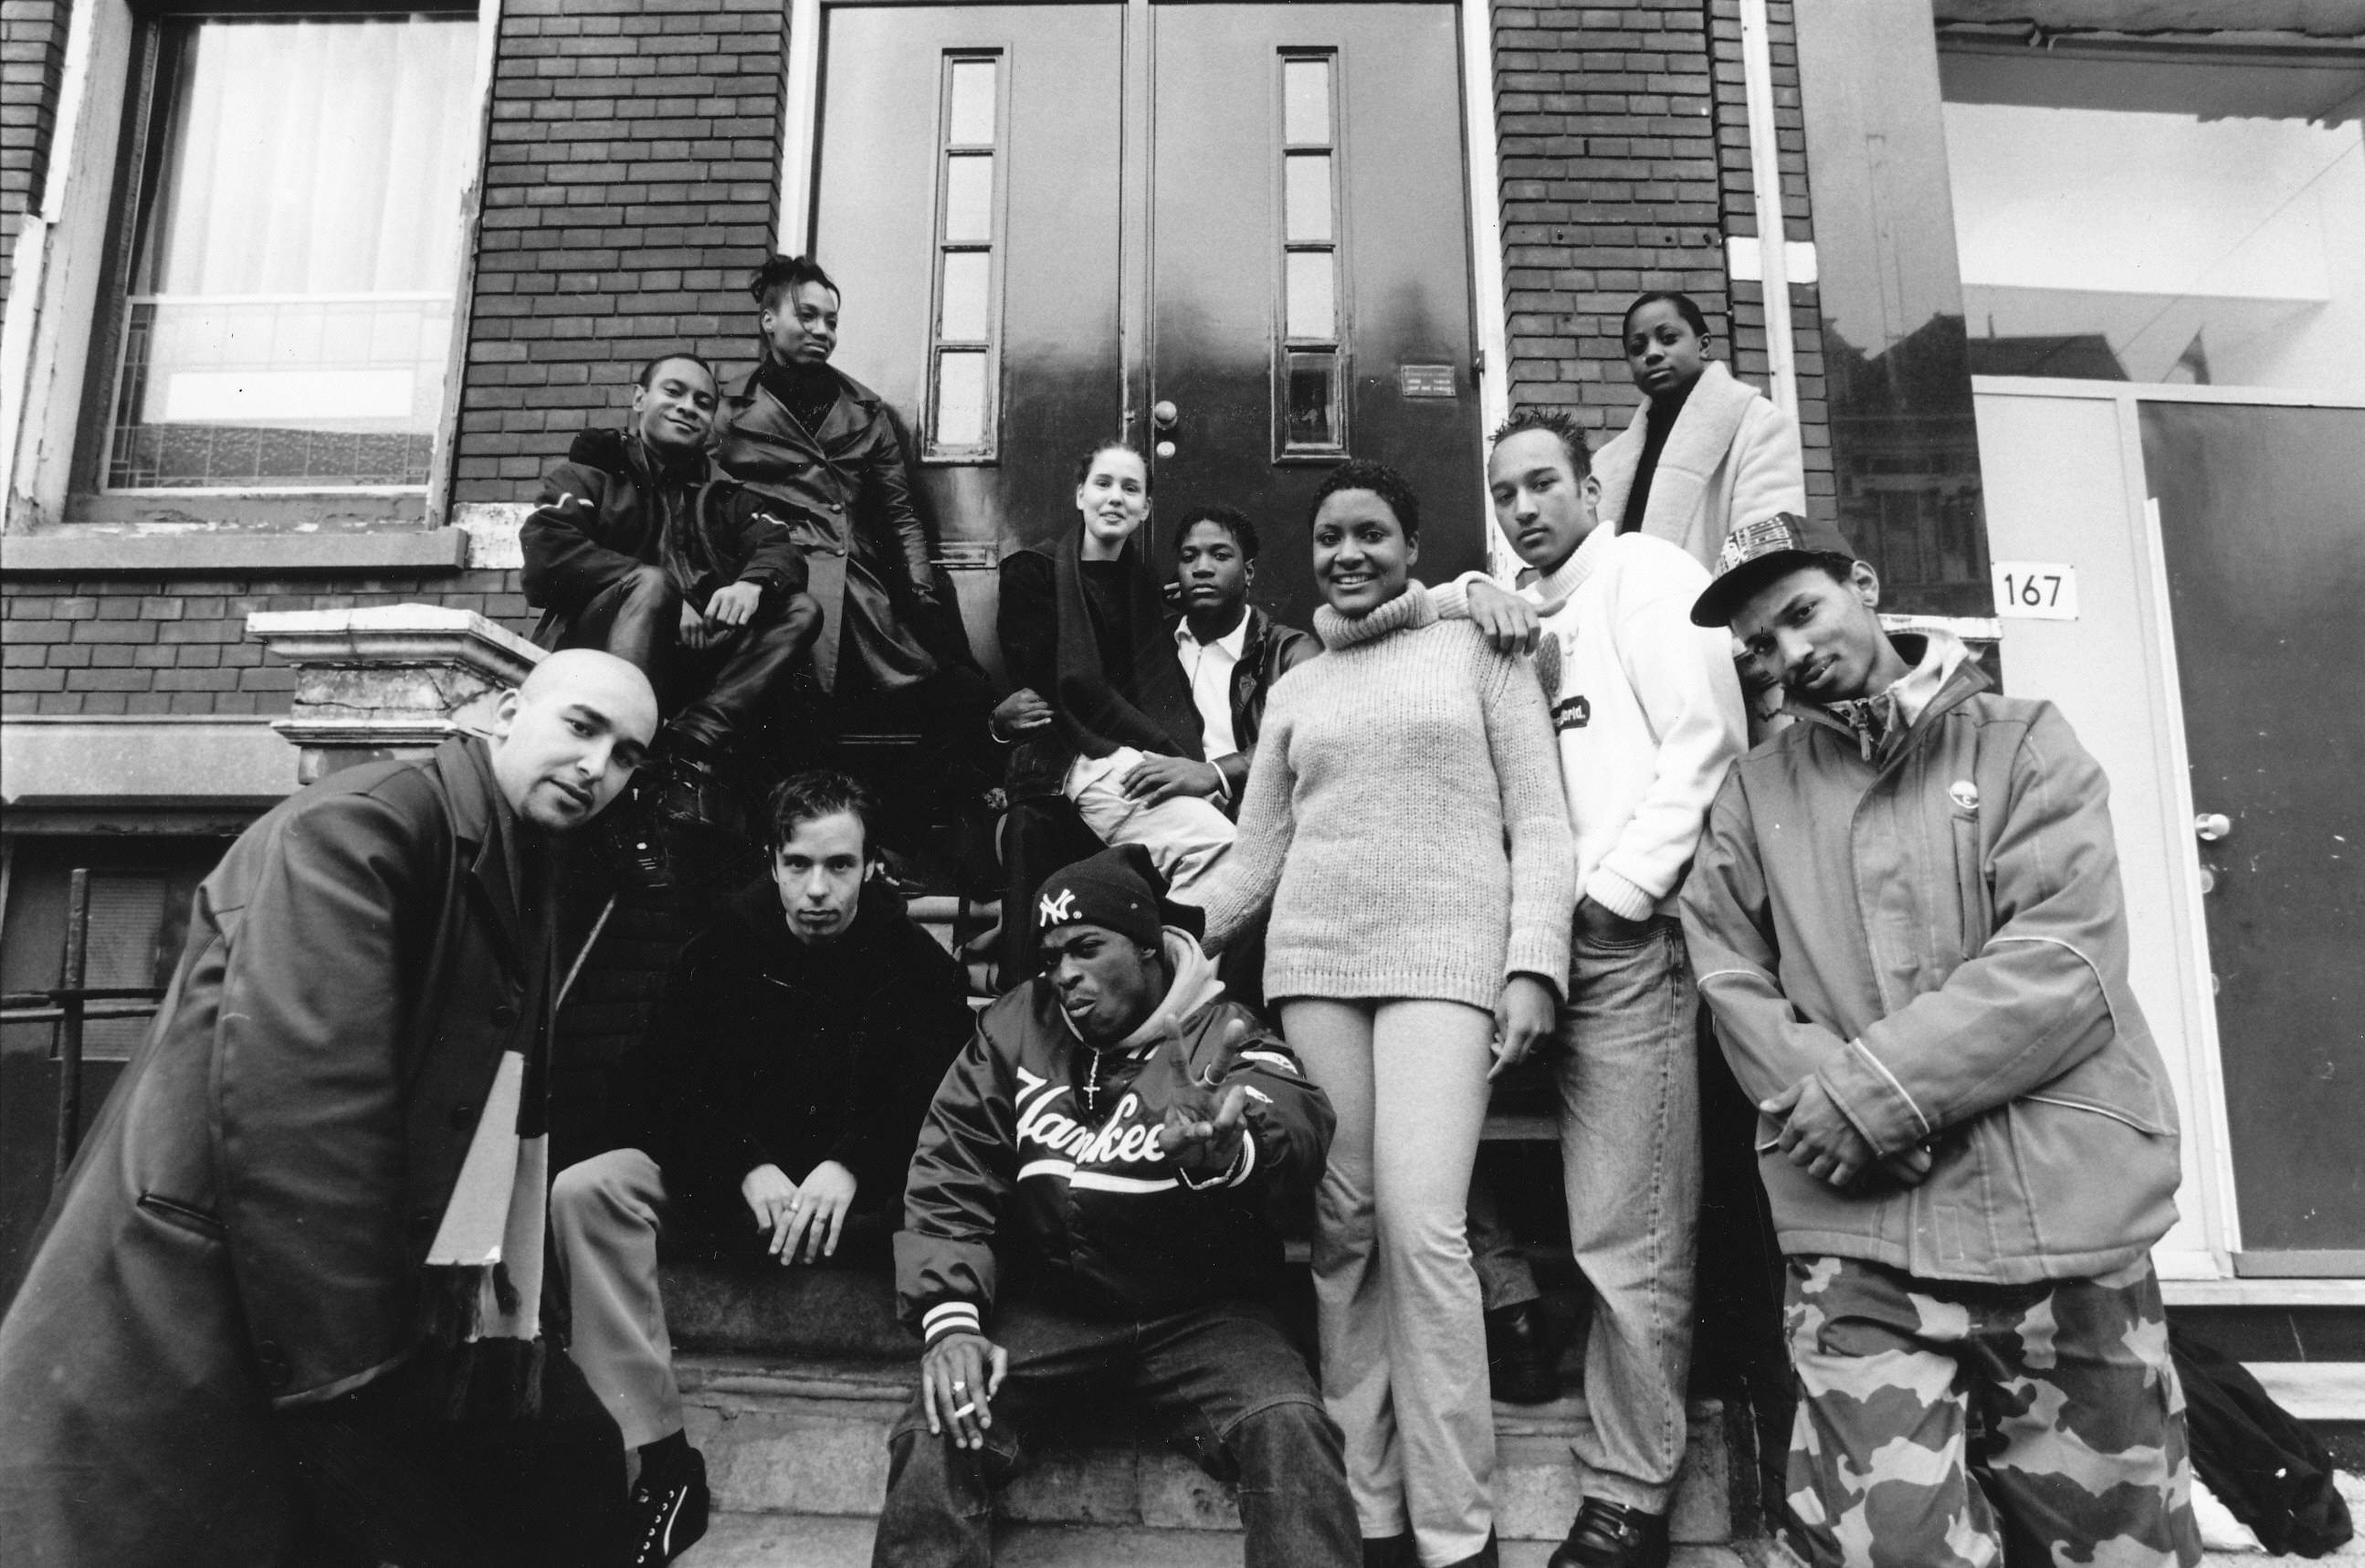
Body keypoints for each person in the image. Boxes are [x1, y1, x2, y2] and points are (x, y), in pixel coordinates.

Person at [0, 650, 661, 1568]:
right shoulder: (365, 827)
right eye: (581, 727)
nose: (597, 767)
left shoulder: (522, 861)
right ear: (508, 713)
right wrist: (366, 1384)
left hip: (316, 1327)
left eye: (626, 755)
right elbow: (304, 1118)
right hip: (202, 1315)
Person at [1679, 512, 2200, 1568]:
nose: (1788, 652)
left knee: (2113, 1545)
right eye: (1760, 645)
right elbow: (1727, 971)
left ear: (1863, 583)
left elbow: (2064, 955)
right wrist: (1828, 1106)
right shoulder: (1755, 792)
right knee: (1885, 1547)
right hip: (1861, 1234)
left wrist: (1873, 1096)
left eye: (1802, 613)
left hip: (2062, 1215)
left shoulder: (2023, 740)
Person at [1199, 459, 1579, 1568]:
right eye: (1329, 538)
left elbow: (1540, 822)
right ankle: (1369, 1517)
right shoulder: (1297, 688)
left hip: (1444, 964)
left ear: (1412, 547)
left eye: (1370, 533)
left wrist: (1533, 964)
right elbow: (1255, 860)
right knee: (1344, 1231)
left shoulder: (1480, 646)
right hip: (1317, 967)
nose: (1348, 554)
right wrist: (1162, 935)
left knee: (1422, 1228)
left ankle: (1457, 1531)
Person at [1436, 409, 1748, 1568]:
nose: (1523, 507)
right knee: (1417, 1148)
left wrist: (1619, 892)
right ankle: (1509, 1308)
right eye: (1504, 492)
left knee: (1628, 1222)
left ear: (1589, 489)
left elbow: (1707, 744)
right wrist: (1468, 589)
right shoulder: (1506, 606)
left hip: (1619, 940)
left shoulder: (1645, 576)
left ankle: (1627, 1493)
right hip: (1517, 940)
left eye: (1542, 484)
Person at [874, 845, 1358, 1568]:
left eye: (1086, 948)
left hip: (1203, 1314)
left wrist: (1231, 1147)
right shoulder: (1016, 1026)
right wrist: (951, 1322)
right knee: (936, 1422)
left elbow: (1293, 1113)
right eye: (1051, 957)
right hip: (1054, 1308)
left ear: (1147, 947)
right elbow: (952, 1167)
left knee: (1288, 1423)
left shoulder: (1219, 1031)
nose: (1064, 973)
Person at [549, 769, 973, 1567]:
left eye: (839, 865)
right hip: (733, 1198)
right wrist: (743, 1166)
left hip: (863, 1208)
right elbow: (655, 1089)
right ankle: (659, 1458)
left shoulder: (919, 966)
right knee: (587, 1189)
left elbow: (943, 1099)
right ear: (773, 863)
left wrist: (852, 1164)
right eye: (799, 864)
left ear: (871, 866)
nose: (817, 889)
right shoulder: (716, 950)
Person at [715, 254, 995, 762]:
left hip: (855, 588)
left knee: (960, 696)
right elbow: (704, 501)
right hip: (767, 580)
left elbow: (900, 514)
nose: (822, 331)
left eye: (832, 321)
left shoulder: (865, 411)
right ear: (768, 320)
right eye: (807, 316)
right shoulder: (728, 410)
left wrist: (923, 598)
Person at [993, 443, 1237, 975]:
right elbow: (1065, 692)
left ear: (1145, 508)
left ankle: (1167, 969)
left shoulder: (1139, 582)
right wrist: (1168, 756)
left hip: (1123, 756)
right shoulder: (1031, 573)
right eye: (1103, 484)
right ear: (1080, 494)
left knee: (1220, 846)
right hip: (1067, 759)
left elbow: (1155, 683)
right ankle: (1177, 976)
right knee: (1218, 845)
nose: (1114, 498)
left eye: (1130, 489)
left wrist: (1188, 765)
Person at [521, 352, 823, 765]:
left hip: (698, 660)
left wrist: (751, 583)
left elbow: (780, 549)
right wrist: (663, 596)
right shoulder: (588, 477)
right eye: (674, 392)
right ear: (639, 398)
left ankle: (693, 735)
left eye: (703, 402)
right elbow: (547, 558)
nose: (687, 407)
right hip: (596, 653)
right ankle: (624, 739)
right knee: (653, 584)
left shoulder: (729, 496)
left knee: (800, 609)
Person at [1592, 291, 1806, 571]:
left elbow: (1766, 558)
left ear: (1703, 345)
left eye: (1668, 338)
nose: (1652, 353)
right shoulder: (1607, 462)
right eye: (1637, 347)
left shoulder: (1759, 425)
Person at [1169, 504, 1319, 811]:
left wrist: (1217, 773)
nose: (1202, 567)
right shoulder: (1156, 645)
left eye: (1220, 555)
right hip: (1166, 815)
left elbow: (1307, 740)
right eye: (1189, 557)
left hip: (1255, 819)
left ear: (1248, 572)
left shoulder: (1290, 651)